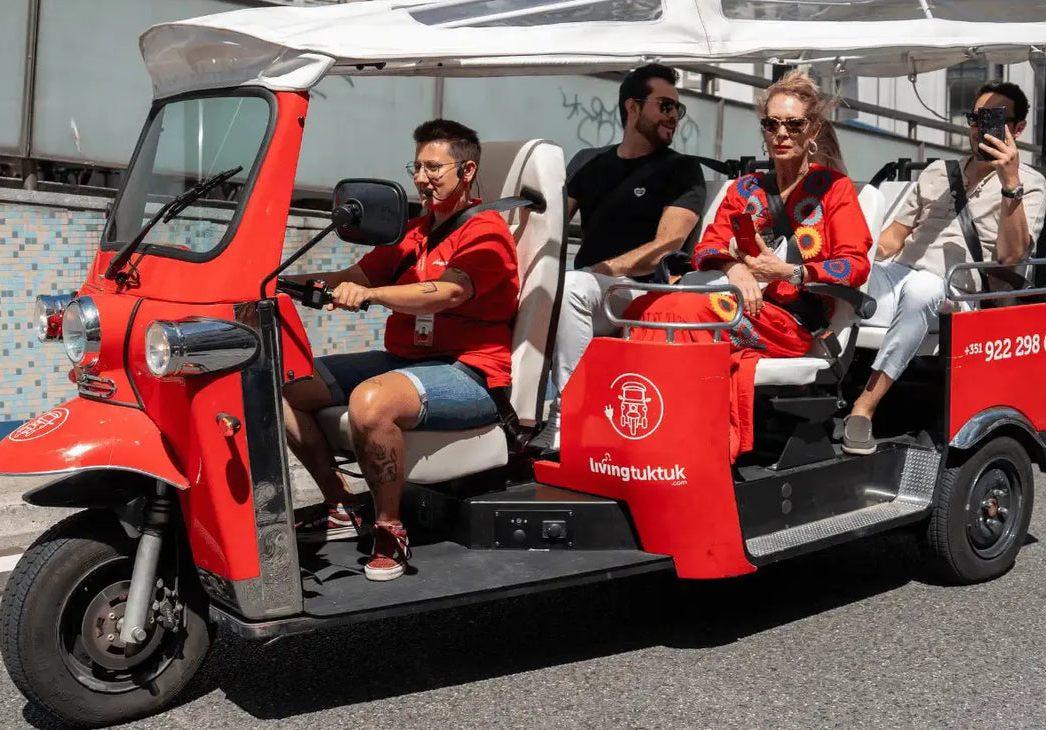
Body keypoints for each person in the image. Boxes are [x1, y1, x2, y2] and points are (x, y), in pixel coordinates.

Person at [281, 119, 520, 582]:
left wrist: (371, 296)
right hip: (407, 359)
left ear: (466, 170)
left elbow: (447, 293)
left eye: (434, 167)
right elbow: (357, 276)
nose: (422, 178)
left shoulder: (487, 234)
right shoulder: (413, 234)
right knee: (288, 384)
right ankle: (340, 506)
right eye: (417, 167)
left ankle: (389, 528)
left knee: (370, 401)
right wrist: (283, 283)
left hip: (470, 372)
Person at [621, 70, 872, 462]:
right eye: (772, 124)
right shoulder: (745, 189)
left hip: (791, 321)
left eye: (794, 124)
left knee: (685, 313)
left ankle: (693, 441)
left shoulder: (835, 189)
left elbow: (854, 266)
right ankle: (642, 427)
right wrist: (734, 270)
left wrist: (788, 272)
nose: (782, 133)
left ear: (813, 131)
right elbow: (707, 247)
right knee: (644, 309)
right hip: (738, 303)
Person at [841, 81, 1046, 455]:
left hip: (957, 294)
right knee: (839, 274)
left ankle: (864, 407)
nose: (979, 127)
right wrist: (857, 254)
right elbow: (895, 237)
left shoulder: (1030, 185)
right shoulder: (939, 171)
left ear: (1017, 129)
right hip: (901, 274)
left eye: (993, 119)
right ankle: (814, 387)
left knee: (923, 290)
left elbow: (1011, 257)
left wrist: (1010, 181)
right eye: (976, 117)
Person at [536, 63, 710, 449]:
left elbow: (669, 243)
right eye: (665, 105)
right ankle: (508, 415)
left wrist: (603, 269)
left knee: (573, 287)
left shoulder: (680, 169)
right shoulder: (589, 162)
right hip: (590, 292)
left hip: (644, 293)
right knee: (535, 289)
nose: (673, 117)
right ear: (633, 107)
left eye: (677, 109)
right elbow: (548, 226)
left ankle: (570, 416)